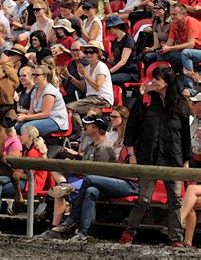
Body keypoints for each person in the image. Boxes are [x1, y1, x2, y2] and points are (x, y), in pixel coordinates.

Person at [119, 66, 189, 248]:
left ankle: (175, 238)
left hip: (173, 159)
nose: (153, 81)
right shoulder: (145, 101)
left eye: (157, 78)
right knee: (143, 198)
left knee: (175, 200)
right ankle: (128, 232)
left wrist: (186, 161)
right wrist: (132, 154)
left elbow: (185, 136)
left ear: (167, 82)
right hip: (148, 157)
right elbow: (131, 129)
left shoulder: (180, 104)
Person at [51, 115, 135, 242]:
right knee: (90, 191)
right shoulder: (92, 145)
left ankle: (71, 220)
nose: (84, 127)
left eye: (87, 125)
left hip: (108, 183)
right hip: (96, 183)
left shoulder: (105, 148)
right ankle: (82, 232)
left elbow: (101, 174)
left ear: (95, 128)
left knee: (88, 181)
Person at [0, 125, 47, 225]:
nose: (20, 137)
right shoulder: (28, 150)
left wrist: (14, 174)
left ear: (30, 137)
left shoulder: (33, 153)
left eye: (22, 135)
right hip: (25, 181)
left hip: (30, 184)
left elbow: (29, 176)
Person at [66, 40, 113, 134]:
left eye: (91, 52)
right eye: (86, 52)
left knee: (70, 107)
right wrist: (68, 77)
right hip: (91, 99)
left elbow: (98, 86)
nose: (88, 54)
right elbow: (84, 88)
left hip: (101, 99)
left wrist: (85, 75)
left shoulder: (101, 66)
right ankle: (82, 132)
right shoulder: (87, 68)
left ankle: (82, 133)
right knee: (68, 107)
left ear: (98, 53)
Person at [15, 64, 68, 137]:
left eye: (37, 75)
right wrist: (20, 117)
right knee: (16, 126)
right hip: (42, 118)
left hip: (55, 120)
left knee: (26, 128)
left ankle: (31, 147)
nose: (34, 77)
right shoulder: (35, 90)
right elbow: (31, 112)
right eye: (33, 74)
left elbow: (45, 114)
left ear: (44, 76)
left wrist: (24, 117)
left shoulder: (49, 91)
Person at [179, 93, 201, 247]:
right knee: (190, 202)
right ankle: (187, 243)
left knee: (191, 191)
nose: (191, 105)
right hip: (196, 165)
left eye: (195, 103)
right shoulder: (195, 122)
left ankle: (177, 222)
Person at [105, 15, 138, 85]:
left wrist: (109, 72)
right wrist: (105, 58)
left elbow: (123, 61)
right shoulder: (115, 41)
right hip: (119, 71)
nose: (109, 30)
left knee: (106, 79)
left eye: (109, 28)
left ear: (116, 27)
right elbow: (114, 62)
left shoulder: (128, 40)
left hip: (129, 72)